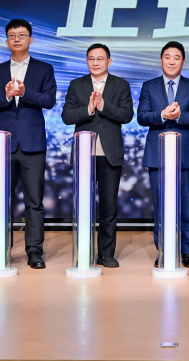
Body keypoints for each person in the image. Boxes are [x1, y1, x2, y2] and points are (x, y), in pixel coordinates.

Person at [0, 19, 57, 269]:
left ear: (31, 39)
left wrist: (24, 93)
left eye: (22, 35)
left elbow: (49, 100)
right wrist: (6, 96)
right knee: (3, 200)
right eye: (12, 35)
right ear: (6, 41)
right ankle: (1, 251)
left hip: (32, 143)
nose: (17, 39)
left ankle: (34, 251)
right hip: (3, 143)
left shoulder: (44, 69)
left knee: (34, 201)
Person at [60, 43, 134, 268]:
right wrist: (88, 110)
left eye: (100, 59)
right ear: (86, 62)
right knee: (83, 204)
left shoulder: (121, 85)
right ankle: (84, 251)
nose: (95, 62)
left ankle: (106, 253)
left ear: (109, 62)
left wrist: (103, 106)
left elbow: (127, 115)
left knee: (108, 205)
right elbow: (67, 116)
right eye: (91, 59)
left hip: (109, 153)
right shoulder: (77, 84)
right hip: (84, 153)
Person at [137, 41, 189, 267]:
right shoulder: (149, 86)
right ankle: (165, 250)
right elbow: (141, 116)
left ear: (183, 61)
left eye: (176, 58)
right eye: (167, 57)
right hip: (157, 154)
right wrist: (161, 115)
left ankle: (186, 251)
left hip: (186, 153)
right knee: (161, 206)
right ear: (161, 60)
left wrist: (178, 116)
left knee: (187, 206)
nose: (171, 61)